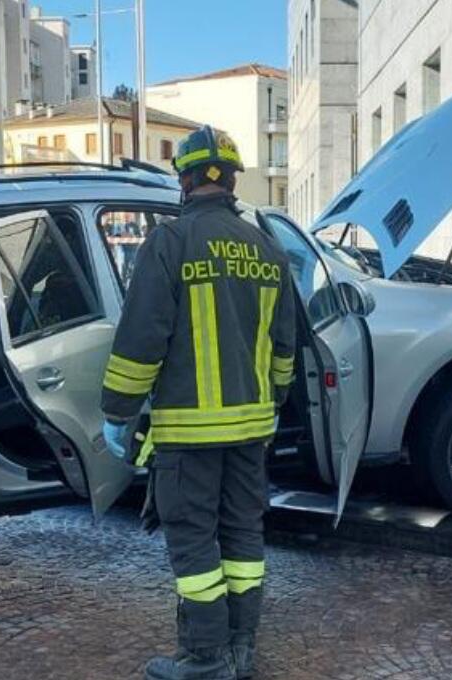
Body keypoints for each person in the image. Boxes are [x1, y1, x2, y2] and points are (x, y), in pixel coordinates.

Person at [101, 126, 296, 680]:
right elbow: (285, 347)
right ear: (232, 179)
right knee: (242, 537)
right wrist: (274, 399)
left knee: (193, 546)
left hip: (188, 434)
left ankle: (205, 660)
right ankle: (242, 649)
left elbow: (141, 339)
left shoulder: (170, 243)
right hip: (252, 429)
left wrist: (118, 410)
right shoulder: (268, 248)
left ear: (184, 180)